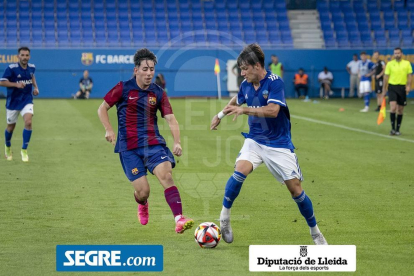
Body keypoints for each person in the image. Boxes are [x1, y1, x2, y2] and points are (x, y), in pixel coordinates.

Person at [210, 43, 328, 245]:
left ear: (256, 66)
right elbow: (236, 100)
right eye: (241, 68)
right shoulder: (246, 84)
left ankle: (315, 232)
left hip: (278, 144)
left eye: (245, 68)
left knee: (296, 190)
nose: (242, 72)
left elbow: (273, 110)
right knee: (239, 173)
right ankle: (224, 217)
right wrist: (220, 114)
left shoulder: (275, 82)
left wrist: (245, 111)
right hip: (255, 140)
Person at [97, 48, 193, 233]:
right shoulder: (123, 88)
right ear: (136, 70)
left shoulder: (158, 92)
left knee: (166, 175)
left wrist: (177, 141)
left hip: (153, 144)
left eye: (152, 69)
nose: (149, 73)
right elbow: (102, 108)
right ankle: (142, 203)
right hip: (129, 147)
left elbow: (171, 118)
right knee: (143, 192)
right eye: (145, 69)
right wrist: (109, 129)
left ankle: (179, 219)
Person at [0, 46, 39, 162]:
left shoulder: (32, 67)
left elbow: (32, 77)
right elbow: (2, 82)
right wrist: (16, 85)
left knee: (28, 121)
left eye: (27, 55)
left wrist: (36, 88)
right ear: (18, 56)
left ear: (29, 56)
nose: (25, 57)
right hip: (13, 102)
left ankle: (24, 150)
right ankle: (7, 146)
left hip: (27, 100)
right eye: (22, 55)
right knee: (10, 128)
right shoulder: (11, 69)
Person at [382, 47, 412, 136]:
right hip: (392, 87)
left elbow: (409, 75)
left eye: (398, 53)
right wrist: (384, 89)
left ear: (402, 54)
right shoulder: (390, 64)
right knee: (393, 107)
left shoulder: (407, 63)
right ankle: (392, 129)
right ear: (393, 54)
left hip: (402, 88)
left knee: (400, 109)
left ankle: (398, 129)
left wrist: (408, 86)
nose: (397, 55)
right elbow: (386, 77)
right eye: (395, 53)